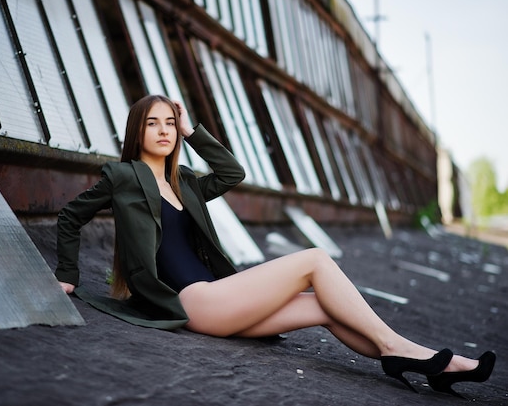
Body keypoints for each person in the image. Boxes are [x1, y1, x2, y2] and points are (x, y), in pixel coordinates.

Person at [55, 94, 495, 398]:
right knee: (316, 261)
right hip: (194, 303)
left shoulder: (184, 181)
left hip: (219, 298)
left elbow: (231, 173)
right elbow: (71, 216)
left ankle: (435, 363)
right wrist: (68, 278)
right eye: (153, 124)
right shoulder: (123, 177)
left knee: (324, 306)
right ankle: (402, 351)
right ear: (137, 131)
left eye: (170, 122)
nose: (164, 130)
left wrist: (193, 132)